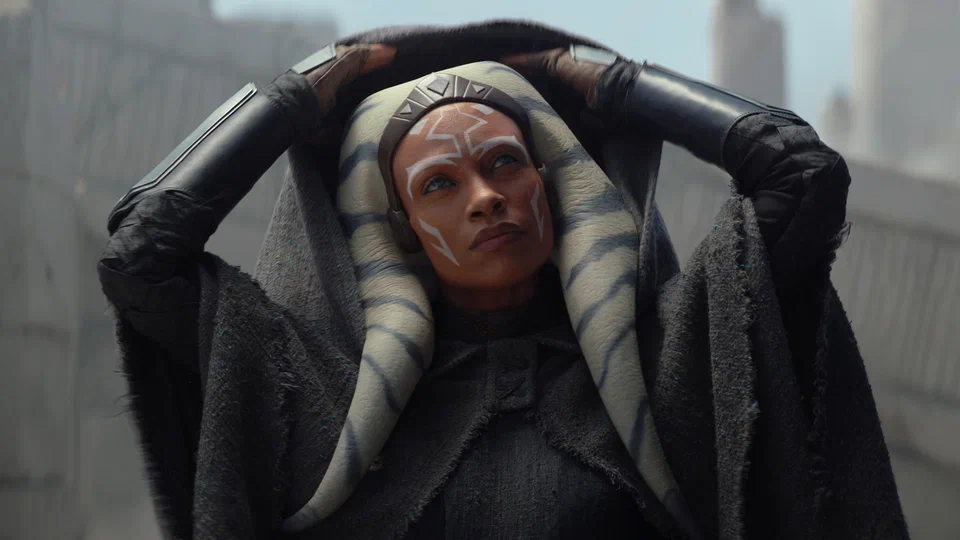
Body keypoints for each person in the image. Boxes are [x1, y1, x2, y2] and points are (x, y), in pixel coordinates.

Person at [97, 22, 907, 540]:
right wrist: (288, 100)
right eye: (439, 184)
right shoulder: (316, 403)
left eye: (505, 164)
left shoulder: (671, 370)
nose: (486, 198)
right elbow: (140, 256)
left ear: (554, 188)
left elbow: (801, 176)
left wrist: (618, 83)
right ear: (398, 229)